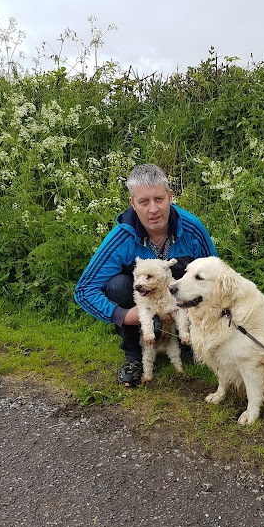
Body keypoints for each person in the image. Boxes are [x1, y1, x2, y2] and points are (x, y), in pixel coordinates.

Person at [74, 163, 218, 387]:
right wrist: (121, 315)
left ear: (170, 197)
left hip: (183, 309)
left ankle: (192, 342)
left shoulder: (192, 228)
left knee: (186, 270)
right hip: (143, 310)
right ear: (132, 204)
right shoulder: (120, 238)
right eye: (144, 202)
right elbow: (84, 291)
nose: (153, 209)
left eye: (159, 199)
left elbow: (217, 274)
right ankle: (133, 357)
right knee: (120, 284)